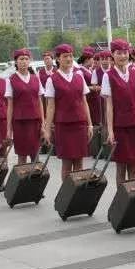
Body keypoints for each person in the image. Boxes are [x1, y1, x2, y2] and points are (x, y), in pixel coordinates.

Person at [102, 38, 135, 184]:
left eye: (125, 53)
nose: (122, 56)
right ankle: (121, 200)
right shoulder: (108, 76)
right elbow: (109, 106)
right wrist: (110, 131)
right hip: (120, 127)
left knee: (134, 166)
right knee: (121, 166)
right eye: (119, 53)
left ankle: (132, 199)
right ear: (113, 55)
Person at [43, 44, 93, 180]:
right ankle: (67, 194)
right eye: (65, 56)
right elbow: (50, 106)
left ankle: (77, 193)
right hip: (63, 126)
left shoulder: (79, 77)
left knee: (79, 161)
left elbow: (84, 102)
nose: (69, 59)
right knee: (67, 162)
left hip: (80, 124)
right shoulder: (52, 80)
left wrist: (90, 124)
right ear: (58, 59)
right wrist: (47, 130)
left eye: (71, 56)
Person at [6, 49, 45, 165]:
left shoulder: (35, 79)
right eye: (21, 59)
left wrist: (43, 123)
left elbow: (40, 102)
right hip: (19, 123)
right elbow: (10, 106)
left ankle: (36, 181)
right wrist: (8, 128)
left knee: (35, 154)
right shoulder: (11, 80)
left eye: (26, 59)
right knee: (22, 155)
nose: (24, 62)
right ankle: (21, 181)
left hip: (35, 121)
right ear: (16, 62)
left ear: (30, 61)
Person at [78, 47, 101, 132]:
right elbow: (80, 87)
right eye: (92, 59)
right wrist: (93, 88)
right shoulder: (80, 72)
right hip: (88, 100)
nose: (93, 61)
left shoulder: (90, 70)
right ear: (87, 59)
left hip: (94, 100)